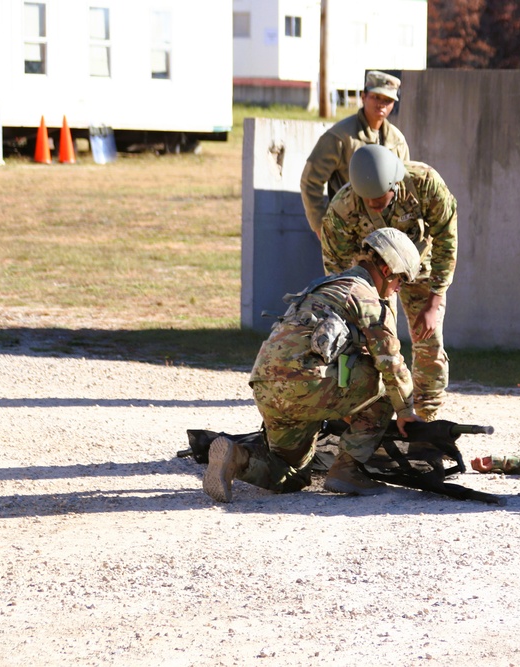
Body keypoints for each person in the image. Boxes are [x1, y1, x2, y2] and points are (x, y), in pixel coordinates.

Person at [203, 228, 423, 503]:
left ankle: (236, 456)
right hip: (307, 384)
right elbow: (390, 361)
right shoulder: (365, 296)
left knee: (292, 472)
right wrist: (406, 410)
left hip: (266, 385)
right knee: (388, 385)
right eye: (401, 279)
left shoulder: (322, 286)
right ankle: (347, 470)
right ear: (387, 267)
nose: (399, 288)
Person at [321, 144, 458, 422]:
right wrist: (353, 309)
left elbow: (446, 238)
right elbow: (335, 265)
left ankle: (426, 417)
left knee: (428, 339)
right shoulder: (342, 208)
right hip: (372, 278)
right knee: (370, 342)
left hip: (419, 269)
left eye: (380, 200)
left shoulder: (425, 184)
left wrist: (435, 298)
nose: (373, 205)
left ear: (395, 184)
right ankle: (370, 414)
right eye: (367, 201)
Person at [300, 70, 409, 239]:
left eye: (387, 100)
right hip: (347, 231)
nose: (381, 104)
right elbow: (311, 180)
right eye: (376, 97)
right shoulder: (341, 136)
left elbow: (404, 187)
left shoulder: (397, 141)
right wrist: (321, 226)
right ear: (363, 97)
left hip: (385, 234)